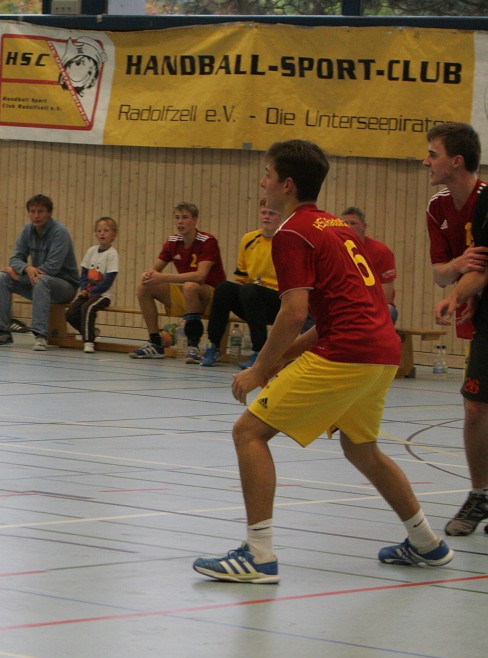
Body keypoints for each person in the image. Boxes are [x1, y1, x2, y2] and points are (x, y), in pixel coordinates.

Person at [193, 139, 452, 584]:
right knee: (362, 448)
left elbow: (293, 312)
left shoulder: (292, 233)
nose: (263, 182)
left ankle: (258, 555)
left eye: (268, 174)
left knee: (249, 432)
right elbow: (333, 316)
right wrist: (277, 362)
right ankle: (428, 542)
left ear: (287, 184)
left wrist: (259, 370)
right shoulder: (338, 227)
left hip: (348, 352)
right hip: (381, 352)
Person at [423, 121, 488, 536]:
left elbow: (479, 269)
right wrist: (455, 286)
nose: (426, 160)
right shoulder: (437, 207)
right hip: (484, 316)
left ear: (456, 161)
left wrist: (456, 292)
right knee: (474, 408)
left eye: (433, 153)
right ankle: (479, 495)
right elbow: (445, 273)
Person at [128, 202, 225, 363]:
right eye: (177, 217)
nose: (180, 222)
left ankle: (193, 346)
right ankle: (155, 343)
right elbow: (155, 270)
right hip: (188, 294)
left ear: (194, 220)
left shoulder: (207, 241)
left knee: (190, 286)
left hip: (212, 298)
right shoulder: (172, 241)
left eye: (185, 217)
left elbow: (200, 276)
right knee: (144, 287)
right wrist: (148, 275)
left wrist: (163, 277)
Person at [0, 194, 78, 351]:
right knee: (3, 277)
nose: (36, 216)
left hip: (64, 286)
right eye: (32, 212)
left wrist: (22, 275)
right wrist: (26, 268)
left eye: (40, 211)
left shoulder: (60, 233)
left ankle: (40, 335)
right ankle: (2, 332)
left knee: (42, 280)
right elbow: (15, 258)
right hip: (37, 281)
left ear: (50, 213)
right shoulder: (27, 231)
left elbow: (52, 267)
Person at [200, 200, 281, 369]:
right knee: (224, 288)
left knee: (250, 290)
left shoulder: (286, 241)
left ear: (281, 217)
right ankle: (213, 346)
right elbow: (241, 278)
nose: (266, 216)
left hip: (278, 301)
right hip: (251, 297)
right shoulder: (249, 239)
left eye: (272, 213)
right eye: (264, 212)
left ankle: (260, 351)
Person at [65, 216, 119, 353]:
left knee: (87, 308)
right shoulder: (91, 251)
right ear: (95, 233)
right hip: (87, 292)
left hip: (102, 295)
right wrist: (84, 288)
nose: (102, 233)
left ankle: (88, 341)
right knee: (70, 313)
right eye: (99, 230)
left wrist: (94, 292)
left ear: (113, 234)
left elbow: (109, 279)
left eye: (106, 230)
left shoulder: (112, 254)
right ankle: (90, 331)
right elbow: (84, 273)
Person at [340, 206, 397, 323]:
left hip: (373, 305)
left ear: (364, 227)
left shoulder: (381, 251)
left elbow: (386, 295)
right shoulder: (335, 249)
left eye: (353, 223)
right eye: (344, 223)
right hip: (342, 305)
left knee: (388, 310)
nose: (348, 226)